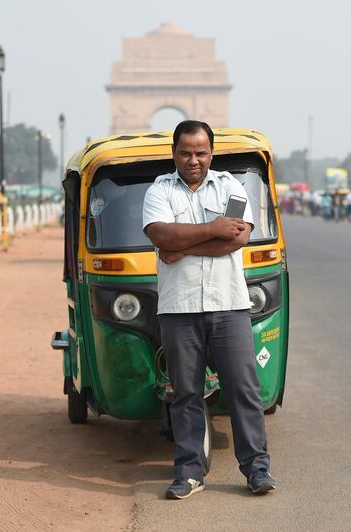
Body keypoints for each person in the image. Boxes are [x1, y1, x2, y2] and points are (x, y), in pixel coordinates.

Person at [142, 120, 275, 500]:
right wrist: (213, 228)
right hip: (178, 307)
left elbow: (236, 238)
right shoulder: (159, 190)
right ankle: (189, 471)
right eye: (185, 153)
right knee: (185, 393)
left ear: (211, 153)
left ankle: (257, 469)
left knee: (243, 390)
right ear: (174, 154)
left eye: (201, 152)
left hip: (228, 304)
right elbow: (160, 234)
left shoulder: (230, 186)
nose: (193, 160)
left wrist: (183, 247)